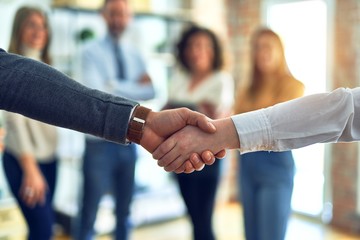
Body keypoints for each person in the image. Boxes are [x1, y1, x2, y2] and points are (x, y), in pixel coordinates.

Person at [75, 0, 155, 239]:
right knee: (89, 212)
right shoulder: (89, 52)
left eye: (123, 14)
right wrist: (131, 88)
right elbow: (99, 95)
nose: (118, 19)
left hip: (129, 140)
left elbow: (151, 90)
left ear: (129, 17)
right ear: (103, 16)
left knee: (125, 212)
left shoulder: (134, 54)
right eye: (113, 14)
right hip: (99, 144)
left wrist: (115, 85)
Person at [164, 25, 234, 240]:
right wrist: (196, 110)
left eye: (203, 45)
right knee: (193, 217)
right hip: (179, 158)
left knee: (204, 220)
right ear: (184, 50)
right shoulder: (179, 78)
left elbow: (215, 122)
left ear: (213, 51)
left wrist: (180, 110)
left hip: (207, 160)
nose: (197, 50)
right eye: (193, 45)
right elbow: (164, 112)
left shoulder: (221, 79)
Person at [233, 28, 304, 240]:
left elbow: (278, 123)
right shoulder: (247, 89)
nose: (262, 53)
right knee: (251, 234)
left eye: (268, 47)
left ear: (280, 51)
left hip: (276, 167)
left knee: (270, 235)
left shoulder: (294, 87)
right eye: (257, 48)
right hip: (247, 166)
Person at [2, 7, 58, 240]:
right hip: (24, 161)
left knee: (42, 229)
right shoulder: (11, 68)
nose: (39, 31)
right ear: (19, 29)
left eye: (42, 25)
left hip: (50, 159)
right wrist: (30, 167)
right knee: (43, 230)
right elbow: (14, 121)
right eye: (31, 25)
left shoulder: (49, 68)